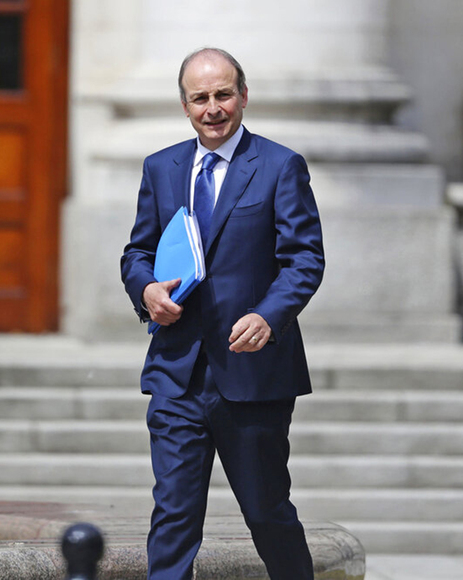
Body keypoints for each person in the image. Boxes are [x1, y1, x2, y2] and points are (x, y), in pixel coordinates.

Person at [120, 47, 324, 580]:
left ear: (244, 96)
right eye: (200, 98)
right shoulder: (161, 168)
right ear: (185, 105)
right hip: (177, 372)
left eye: (223, 94)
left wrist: (269, 316)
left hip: (252, 372)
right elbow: (138, 252)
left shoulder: (280, 166)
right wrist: (146, 290)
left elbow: (305, 259)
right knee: (173, 516)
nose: (213, 108)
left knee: (267, 513)